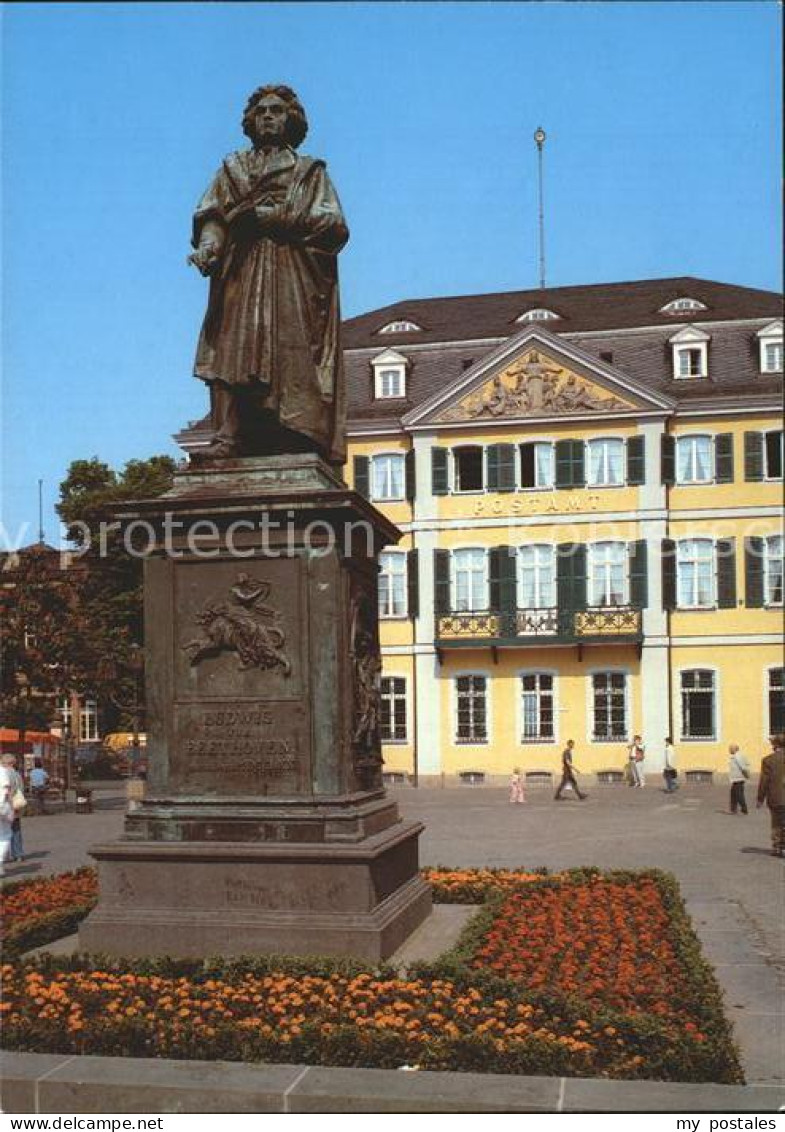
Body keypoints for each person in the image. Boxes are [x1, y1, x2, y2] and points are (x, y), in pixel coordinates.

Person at [189, 84, 349, 463]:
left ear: (291, 120)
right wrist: (209, 247)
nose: (267, 117)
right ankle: (228, 435)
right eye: (260, 112)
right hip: (241, 271)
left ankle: (290, 434)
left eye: (276, 111)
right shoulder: (233, 169)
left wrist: (275, 217)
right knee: (229, 346)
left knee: (289, 352)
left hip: (290, 274)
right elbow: (213, 214)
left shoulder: (309, 173)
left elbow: (334, 225)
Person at [757, 735, 785, 857]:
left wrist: (760, 798)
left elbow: (764, 781)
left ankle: (778, 847)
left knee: (776, 823)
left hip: (776, 797)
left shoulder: (768, 760)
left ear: (775, 745)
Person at [1, 754, 25, 860]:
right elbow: (21, 789)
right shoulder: (17, 775)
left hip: (5, 805)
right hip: (16, 805)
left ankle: (3, 855)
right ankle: (18, 854)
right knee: (16, 830)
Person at [728, 744, 751, 815]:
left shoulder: (737, 756)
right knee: (734, 794)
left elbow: (743, 767)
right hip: (736, 778)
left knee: (739, 794)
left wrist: (747, 775)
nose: (729, 750)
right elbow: (747, 763)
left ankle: (744, 809)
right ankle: (733, 809)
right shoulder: (738, 756)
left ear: (734, 749)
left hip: (738, 778)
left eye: (730, 749)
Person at [0, 761, 14, 877]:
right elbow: (7, 790)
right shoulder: (2, 771)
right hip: (2, 807)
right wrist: (11, 805)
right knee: (5, 835)